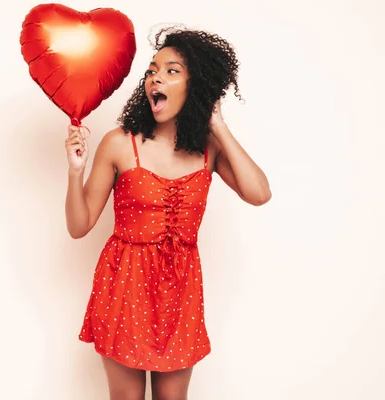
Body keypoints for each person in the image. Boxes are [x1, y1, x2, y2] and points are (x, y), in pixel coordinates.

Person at [64, 25, 271, 400]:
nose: (155, 77)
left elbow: (259, 194)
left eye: (172, 70)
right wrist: (75, 171)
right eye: (152, 70)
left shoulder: (209, 150)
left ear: (198, 85)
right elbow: (79, 227)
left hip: (181, 293)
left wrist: (219, 127)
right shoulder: (120, 144)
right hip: (124, 284)